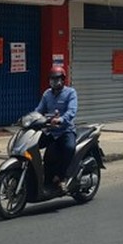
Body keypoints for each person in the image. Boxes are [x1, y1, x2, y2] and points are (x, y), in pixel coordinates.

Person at [34, 64, 77, 192]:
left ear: (63, 80)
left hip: (65, 131)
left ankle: (62, 178)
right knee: (34, 146)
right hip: (51, 131)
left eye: (57, 79)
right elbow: (39, 110)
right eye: (52, 79)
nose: (54, 82)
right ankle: (41, 177)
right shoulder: (47, 94)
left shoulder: (71, 93)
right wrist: (31, 118)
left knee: (69, 148)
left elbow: (72, 111)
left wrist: (61, 119)